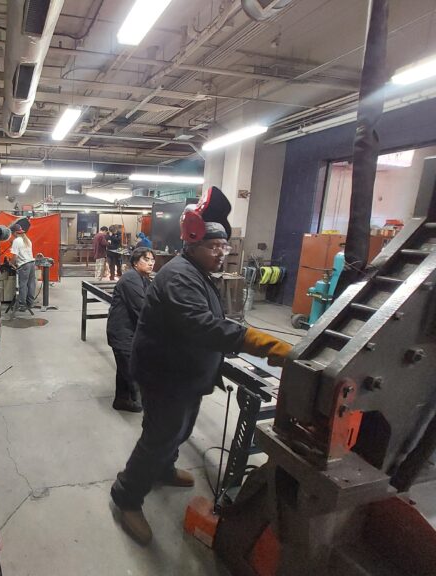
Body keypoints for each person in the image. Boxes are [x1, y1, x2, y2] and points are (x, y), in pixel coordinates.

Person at [110, 187, 292, 546]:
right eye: (213, 246)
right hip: (166, 375)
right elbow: (203, 325)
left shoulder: (197, 271)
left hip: (186, 373)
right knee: (160, 436)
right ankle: (126, 496)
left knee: (180, 429)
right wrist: (263, 343)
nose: (221, 253)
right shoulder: (179, 275)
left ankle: (162, 470)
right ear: (191, 244)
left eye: (224, 247)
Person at [106, 247, 155, 413]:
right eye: (146, 260)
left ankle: (121, 400)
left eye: (152, 260)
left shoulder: (143, 278)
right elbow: (142, 309)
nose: (150, 263)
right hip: (123, 333)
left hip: (131, 332)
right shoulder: (130, 279)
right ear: (135, 262)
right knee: (132, 370)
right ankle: (135, 399)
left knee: (123, 368)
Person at [10, 222, 36, 311]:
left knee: (23, 285)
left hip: (24, 266)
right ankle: (30, 303)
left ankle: (22, 305)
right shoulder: (27, 239)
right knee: (31, 284)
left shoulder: (16, 241)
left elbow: (15, 256)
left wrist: (11, 263)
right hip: (32, 264)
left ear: (14, 232)